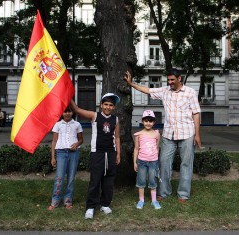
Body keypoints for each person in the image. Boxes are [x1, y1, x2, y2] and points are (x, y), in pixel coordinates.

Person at [125, 69, 202, 202]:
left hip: (187, 133)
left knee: (186, 164)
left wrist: (197, 134)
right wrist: (131, 84)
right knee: (164, 163)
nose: (170, 82)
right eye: (168, 80)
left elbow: (196, 113)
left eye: (172, 80)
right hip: (168, 134)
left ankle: (183, 194)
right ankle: (163, 192)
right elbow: (148, 90)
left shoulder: (190, 92)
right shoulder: (165, 91)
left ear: (179, 78)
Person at [70, 93, 121, 219]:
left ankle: (104, 204)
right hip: (97, 153)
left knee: (108, 181)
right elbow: (76, 109)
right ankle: (91, 207)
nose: (108, 107)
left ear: (114, 107)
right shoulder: (95, 116)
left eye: (111, 105)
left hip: (110, 153)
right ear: (101, 105)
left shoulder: (116, 119)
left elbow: (117, 137)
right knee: (95, 180)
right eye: (106, 104)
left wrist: (118, 153)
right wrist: (67, 97)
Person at [47, 106, 83, 210]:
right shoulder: (58, 124)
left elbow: (81, 139)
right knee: (59, 177)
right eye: (65, 112)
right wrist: (53, 157)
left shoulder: (77, 124)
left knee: (71, 178)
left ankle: (68, 200)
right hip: (61, 153)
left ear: (72, 113)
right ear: (61, 113)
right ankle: (55, 201)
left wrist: (77, 144)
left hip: (73, 153)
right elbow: (54, 141)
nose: (67, 114)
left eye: (69, 111)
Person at [134, 110, 161, 210]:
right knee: (141, 181)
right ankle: (141, 200)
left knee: (153, 180)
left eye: (150, 121)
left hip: (153, 162)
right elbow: (136, 148)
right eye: (146, 121)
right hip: (141, 161)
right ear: (142, 121)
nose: (148, 123)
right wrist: (135, 162)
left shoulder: (156, 134)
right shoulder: (138, 134)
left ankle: (154, 200)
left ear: (153, 122)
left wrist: (156, 160)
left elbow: (157, 147)